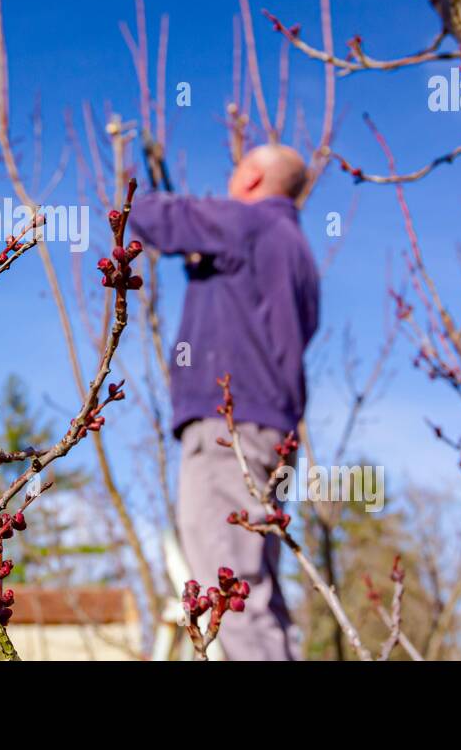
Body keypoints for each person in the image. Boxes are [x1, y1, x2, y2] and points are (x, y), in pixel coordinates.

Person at [130, 144, 320, 660]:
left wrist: (147, 195)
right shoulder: (298, 253)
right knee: (255, 590)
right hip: (273, 433)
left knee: (230, 592)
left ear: (254, 176)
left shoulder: (247, 224)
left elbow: (150, 216)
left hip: (227, 429)